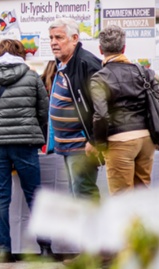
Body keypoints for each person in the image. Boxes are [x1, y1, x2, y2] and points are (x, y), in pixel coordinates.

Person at [0, 39, 51, 263]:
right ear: (20, 54)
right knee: (35, 195)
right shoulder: (31, 76)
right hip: (26, 143)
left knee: (0, 196)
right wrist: (33, 131)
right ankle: (45, 248)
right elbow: (43, 112)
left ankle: (4, 251)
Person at [88, 25, 159, 194]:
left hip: (120, 141)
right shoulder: (144, 72)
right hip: (146, 138)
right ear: (124, 48)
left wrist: (100, 144)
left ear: (100, 49)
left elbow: (101, 115)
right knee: (143, 194)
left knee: (122, 199)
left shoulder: (99, 78)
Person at [47, 18, 102, 201]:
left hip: (81, 146)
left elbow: (101, 106)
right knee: (75, 195)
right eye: (51, 38)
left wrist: (94, 140)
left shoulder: (87, 64)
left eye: (59, 37)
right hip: (67, 145)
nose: (54, 42)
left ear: (74, 38)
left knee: (83, 193)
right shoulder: (63, 64)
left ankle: (92, 230)